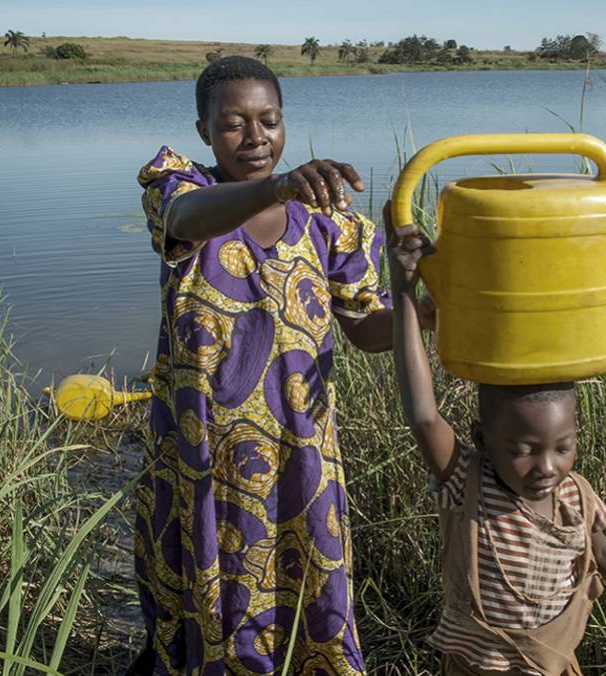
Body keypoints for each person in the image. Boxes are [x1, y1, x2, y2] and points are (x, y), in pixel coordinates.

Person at [132, 56, 413, 675]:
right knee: (207, 577)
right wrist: (277, 186)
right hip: (201, 453)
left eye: (269, 120)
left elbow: (369, 329)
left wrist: (430, 299)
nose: (256, 138)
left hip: (299, 450)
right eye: (234, 124)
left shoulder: (330, 220)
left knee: (306, 580)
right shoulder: (178, 190)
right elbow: (184, 223)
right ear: (205, 131)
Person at [386, 213, 606, 675]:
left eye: (562, 448)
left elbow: (598, 549)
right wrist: (403, 292)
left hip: (550, 666)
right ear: (483, 440)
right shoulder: (470, 480)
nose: (546, 467)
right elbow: (422, 415)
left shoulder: (574, 496)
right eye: (524, 450)